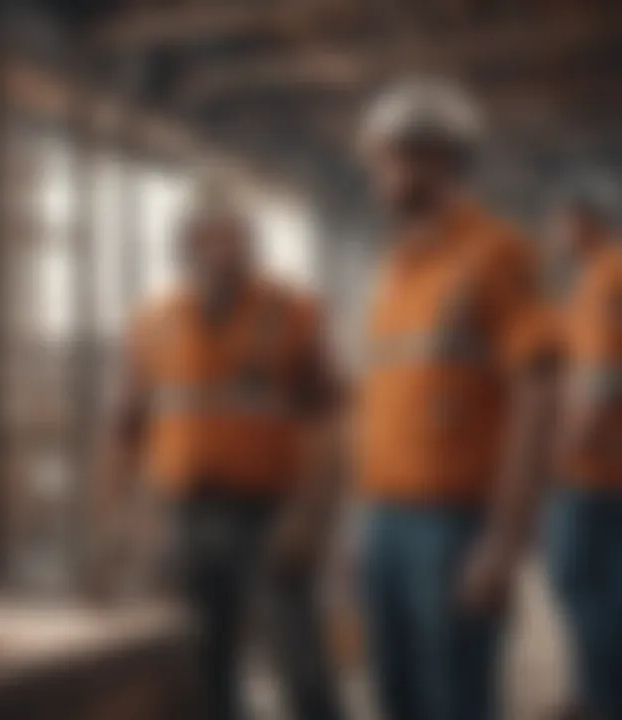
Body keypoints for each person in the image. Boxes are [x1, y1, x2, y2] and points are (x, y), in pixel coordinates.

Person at [95, 181, 344, 720]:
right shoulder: (152, 322)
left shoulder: (292, 313)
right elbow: (125, 428)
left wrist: (311, 517)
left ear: (252, 246)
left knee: (302, 671)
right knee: (204, 673)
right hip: (186, 519)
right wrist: (120, 520)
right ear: (183, 247)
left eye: (234, 239)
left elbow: (327, 419)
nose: (222, 252)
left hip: (270, 519)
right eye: (207, 239)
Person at [354, 79, 555, 720]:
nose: (380, 174)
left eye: (390, 157)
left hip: (454, 527)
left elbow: (541, 390)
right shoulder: (394, 271)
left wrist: (504, 540)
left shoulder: (496, 252)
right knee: (397, 696)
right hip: (384, 522)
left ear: (436, 157)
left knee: (456, 702)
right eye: (379, 158)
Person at [543, 190, 622, 720]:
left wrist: (565, 452)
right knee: (595, 582)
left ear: (582, 220)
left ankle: (602, 697)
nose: (555, 235)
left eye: (560, 223)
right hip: (603, 465)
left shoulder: (605, 278)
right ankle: (595, 690)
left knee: (578, 577)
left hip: (598, 468)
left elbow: (601, 380)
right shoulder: (595, 278)